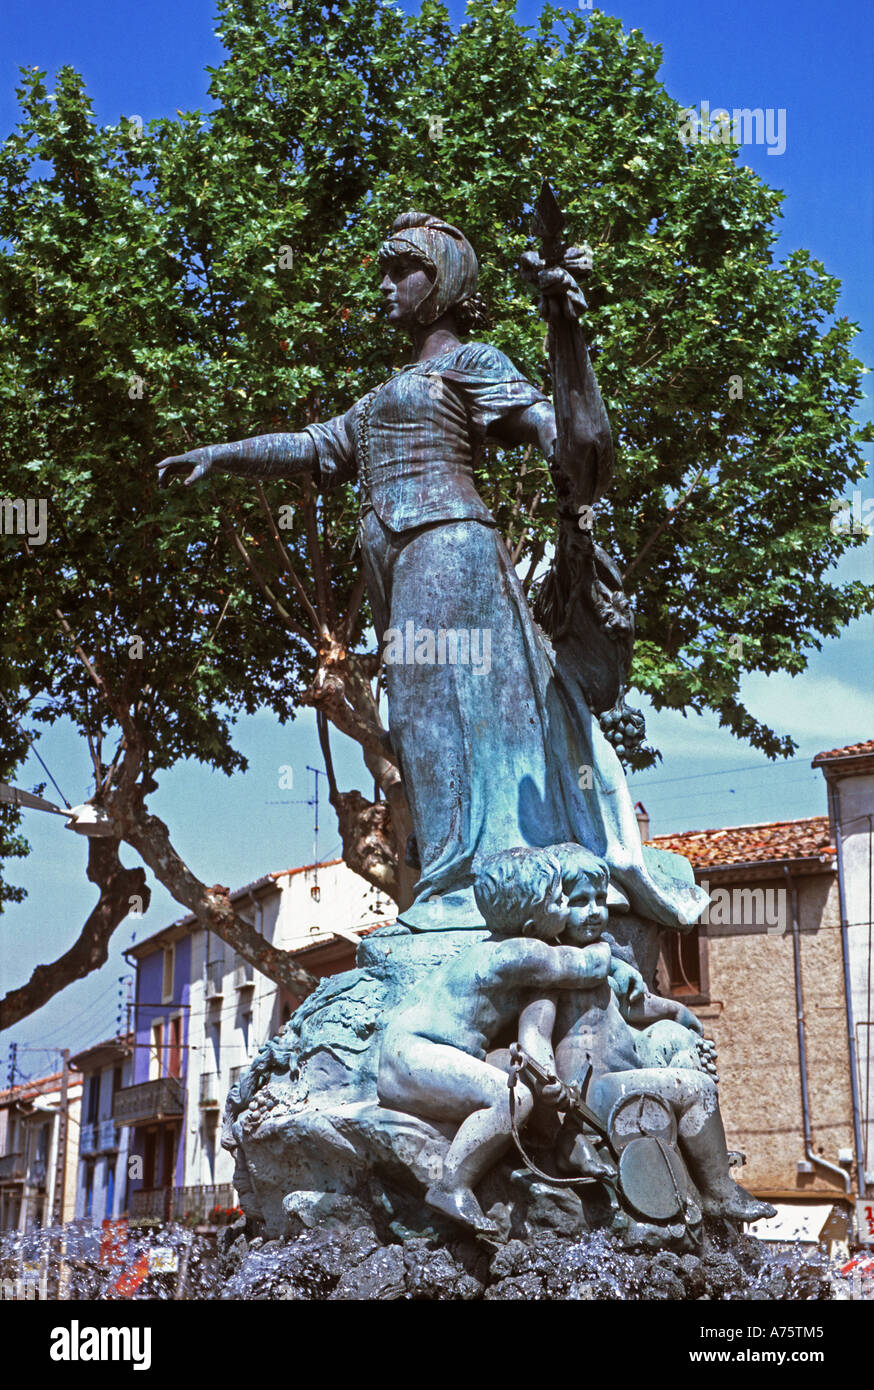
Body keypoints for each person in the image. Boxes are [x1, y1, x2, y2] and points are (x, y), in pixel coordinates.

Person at [156, 211, 709, 935]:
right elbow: (317, 445)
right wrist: (221, 453)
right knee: (416, 715)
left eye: (401, 270)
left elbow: (556, 433)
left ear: (443, 281)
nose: (385, 285)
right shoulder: (387, 391)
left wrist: (565, 345)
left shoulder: (472, 363)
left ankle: (467, 874)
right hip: (397, 561)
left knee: (441, 708)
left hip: (448, 545)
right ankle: (455, 870)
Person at [377, 846, 619, 1236]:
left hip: (421, 1052)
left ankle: (564, 1144)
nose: (566, 905)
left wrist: (549, 1079)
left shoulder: (506, 953)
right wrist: (611, 945)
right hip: (415, 1055)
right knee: (512, 1098)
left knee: (515, 1070)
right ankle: (451, 1185)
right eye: (559, 899)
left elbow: (534, 1039)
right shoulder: (519, 955)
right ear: (529, 923)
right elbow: (589, 967)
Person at [518, 894, 777, 1224]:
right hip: (589, 1093)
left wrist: (678, 1011)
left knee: (679, 1049)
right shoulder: (554, 969)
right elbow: (534, 1033)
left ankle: (703, 1159)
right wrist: (546, 1079)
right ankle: (719, 1192)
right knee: (697, 1089)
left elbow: (636, 1006)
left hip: (619, 1080)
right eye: (580, 901)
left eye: (600, 899)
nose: (594, 911)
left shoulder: (600, 965)